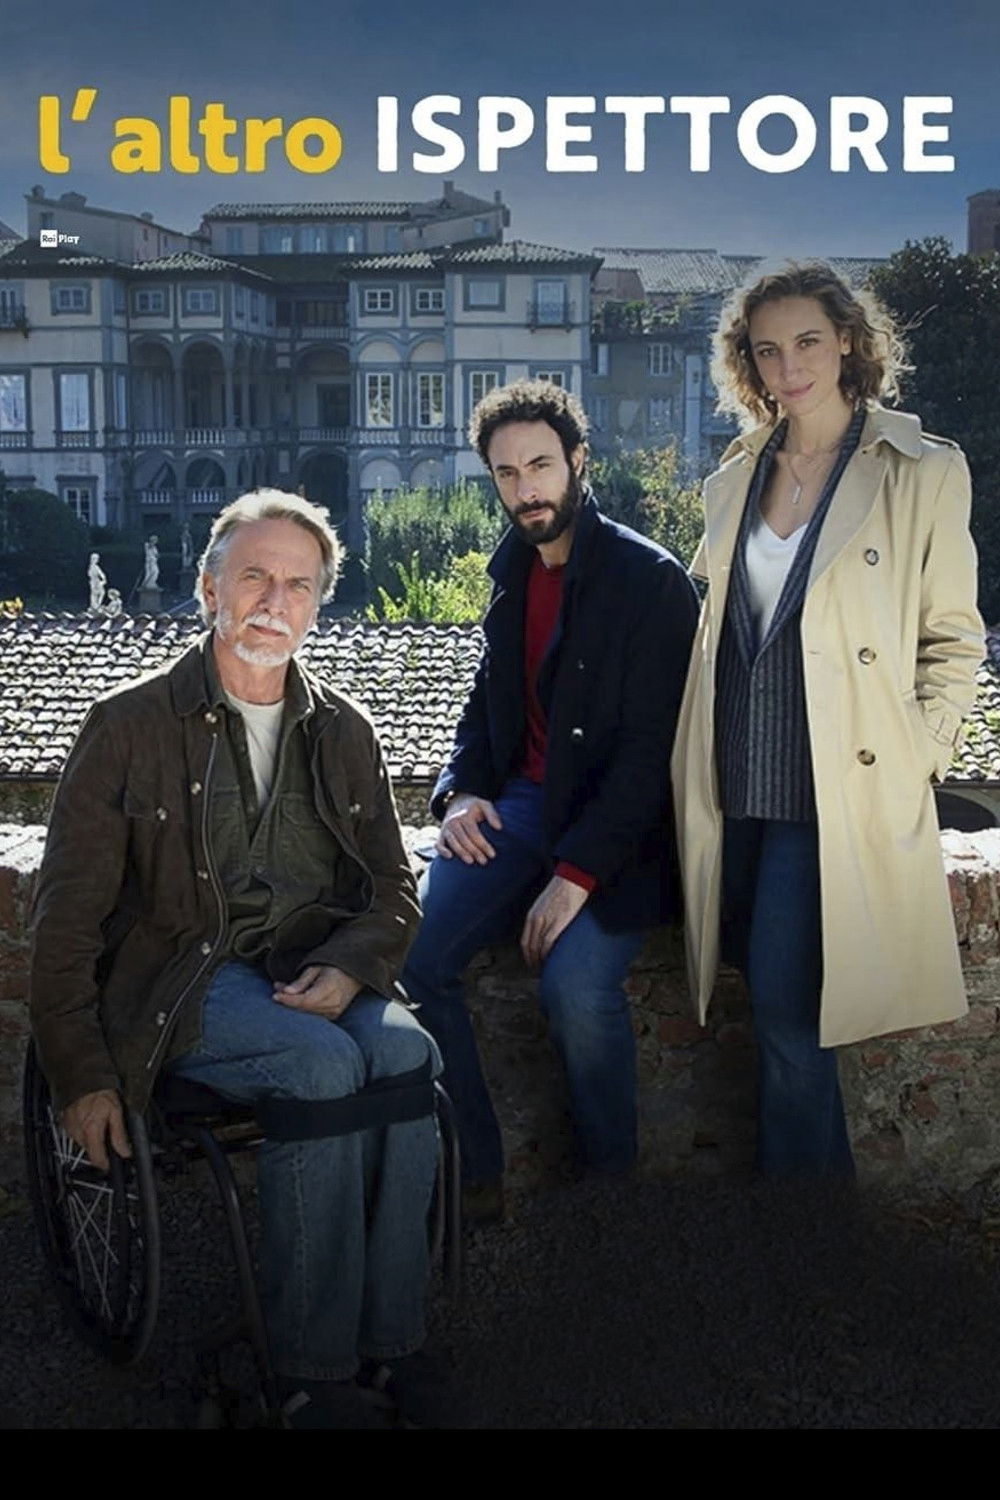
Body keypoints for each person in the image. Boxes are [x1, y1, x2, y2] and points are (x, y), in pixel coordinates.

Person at [29, 489, 444, 1428]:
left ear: (318, 605)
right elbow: (65, 919)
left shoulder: (344, 731)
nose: (273, 601)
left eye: (298, 585)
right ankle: (309, 1372)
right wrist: (79, 1075)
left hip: (312, 962)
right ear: (210, 588)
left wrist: (354, 966)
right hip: (185, 980)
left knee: (408, 1051)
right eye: (254, 576)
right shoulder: (127, 726)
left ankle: (393, 1342)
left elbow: (393, 886)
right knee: (319, 1062)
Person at [670, 262, 984, 1177]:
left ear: (848, 339)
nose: (790, 366)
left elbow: (953, 638)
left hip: (835, 790)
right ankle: (814, 1230)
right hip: (733, 782)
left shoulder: (921, 468)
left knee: (786, 1017)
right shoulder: (737, 474)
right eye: (768, 350)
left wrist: (917, 756)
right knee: (776, 1015)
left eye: (808, 341)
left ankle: (803, 1240)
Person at [402, 380, 699, 1220]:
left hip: (623, 835)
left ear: (577, 461)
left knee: (572, 988)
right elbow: (482, 705)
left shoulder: (650, 580)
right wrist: (460, 792)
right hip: (521, 806)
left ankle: (609, 1197)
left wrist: (576, 875)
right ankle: (476, 1177)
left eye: (539, 465)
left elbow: (652, 757)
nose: (525, 489)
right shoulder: (509, 573)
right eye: (506, 473)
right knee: (415, 954)